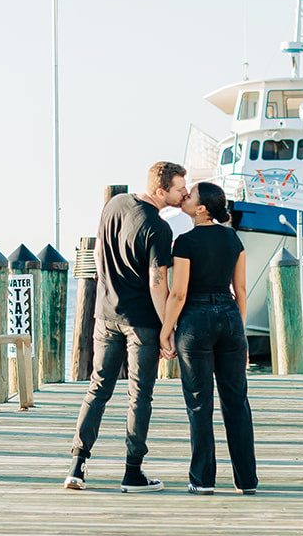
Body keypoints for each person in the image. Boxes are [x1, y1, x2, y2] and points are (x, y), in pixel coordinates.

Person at [64, 161, 187, 493]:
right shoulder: (159, 229)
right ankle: (132, 473)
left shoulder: (114, 205)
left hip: (105, 315)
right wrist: (167, 330)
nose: (185, 193)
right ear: (161, 191)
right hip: (142, 324)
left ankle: (77, 466)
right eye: (179, 189)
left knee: (98, 389)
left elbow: (99, 254)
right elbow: (157, 284)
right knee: (139, 397)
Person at [160, 180, 258, 495]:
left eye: (190, 196)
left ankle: (203, 481)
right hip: (230, 319)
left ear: (201, 209)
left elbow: (178, 293)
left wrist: (166, 331)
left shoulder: (184, 242)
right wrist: (240, 333)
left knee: (200, 404)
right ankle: (247, 481)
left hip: (196, 321)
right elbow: (240, 290)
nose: (185, 197)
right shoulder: (233, 239)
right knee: (237, 403)